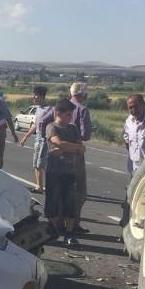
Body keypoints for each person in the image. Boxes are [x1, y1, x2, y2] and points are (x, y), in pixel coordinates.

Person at [45, 99, 84, 244]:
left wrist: (65, 147)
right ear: (57, 113)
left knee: (70, 203)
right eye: (67, 115)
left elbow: (81, 147)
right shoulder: (51, 127)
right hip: (54, 171)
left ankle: (69, 233)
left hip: (71, 171)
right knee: (52, 201)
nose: (70, 118)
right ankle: (53, 230)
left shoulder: (73, 128)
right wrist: (68, 146)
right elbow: (57, 142)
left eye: (71, 115)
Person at [69, 82, 93, 234]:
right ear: (83, 94)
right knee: (78, 191)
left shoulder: (60, 106)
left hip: (59, 152)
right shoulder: (82, 110)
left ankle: (60, 221)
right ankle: (74, 223)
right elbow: (86, 135)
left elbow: (43, 121)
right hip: (76, 153)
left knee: (63, 188)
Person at [18, 85, 51, 193]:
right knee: (35, 164)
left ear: (41, 96)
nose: (34, 97)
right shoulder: (38, 109)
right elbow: (35, 125)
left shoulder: (49, 110)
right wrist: (25, 137)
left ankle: (42, 186)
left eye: (35, 95)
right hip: (37, 139)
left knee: (41, 164)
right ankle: (39, 186)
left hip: (44, 140)